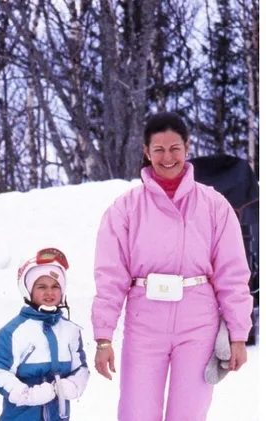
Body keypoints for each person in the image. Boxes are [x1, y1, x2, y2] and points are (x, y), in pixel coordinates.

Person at [91, 111, 253, 421]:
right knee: (136, 412)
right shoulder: (125, 208)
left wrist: (238, 333)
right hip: (144, 325)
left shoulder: (214, 205)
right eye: (159, 149)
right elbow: (110, 278)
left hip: (198, 324)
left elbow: (232, 275)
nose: (168, 158)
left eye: (175, 148)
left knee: (189, 413)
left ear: (187, 147)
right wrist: (103, 337)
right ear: (146, 151)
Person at [0, 248, 88, 421]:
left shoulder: (71, 330)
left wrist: (73, 384)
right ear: (28, 290)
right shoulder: (12, 332)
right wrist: (27, 394)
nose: (50, 292)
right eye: (42, 287)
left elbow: (80, 368)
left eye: (55, 286)